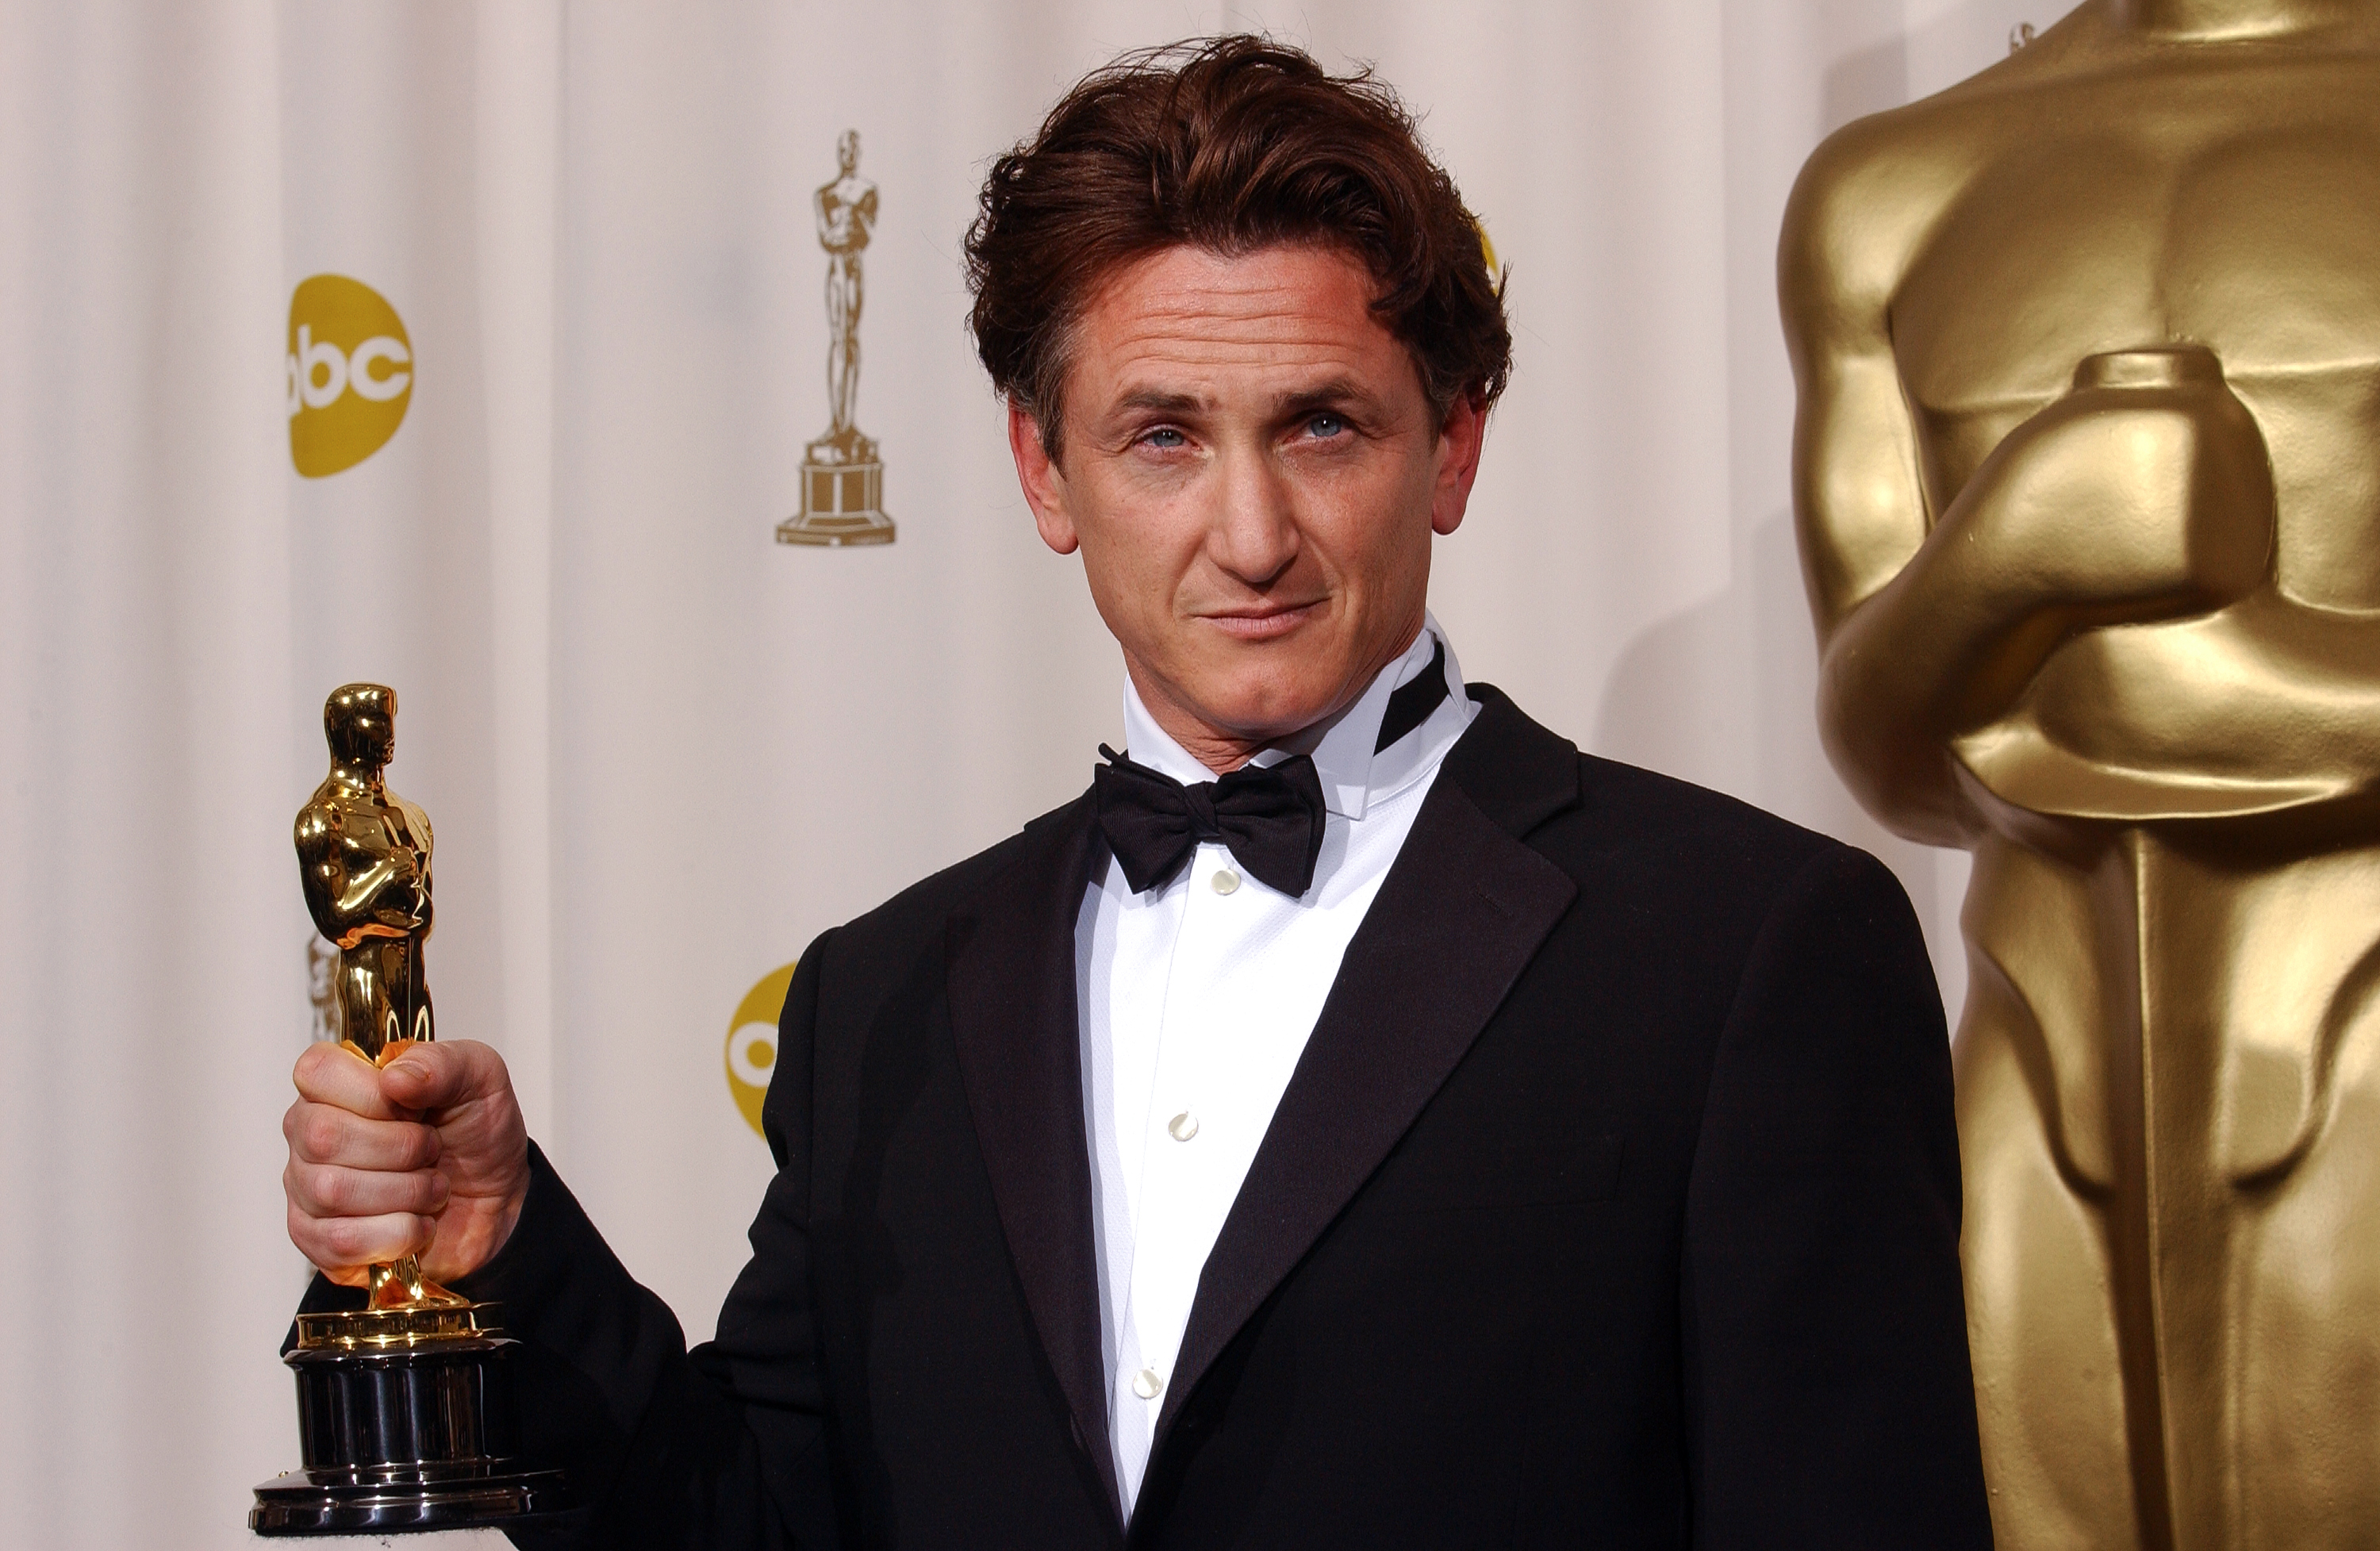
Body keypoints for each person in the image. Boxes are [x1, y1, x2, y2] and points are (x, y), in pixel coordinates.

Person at [282, 36, 1990, 1547]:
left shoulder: (1744, 952)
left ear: (1452, 443)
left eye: (1322, 426)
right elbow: (751, 1526)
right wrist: (508, 1252)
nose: (1249, 536)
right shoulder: (886, 1000)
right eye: (1162, 435)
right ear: (1046, 468)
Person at [1781, 5, 2380, 1545]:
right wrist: (2012, 547)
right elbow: (1882, 742)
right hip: (2041, 1066)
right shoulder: (1886, 190)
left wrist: (2221, 675)